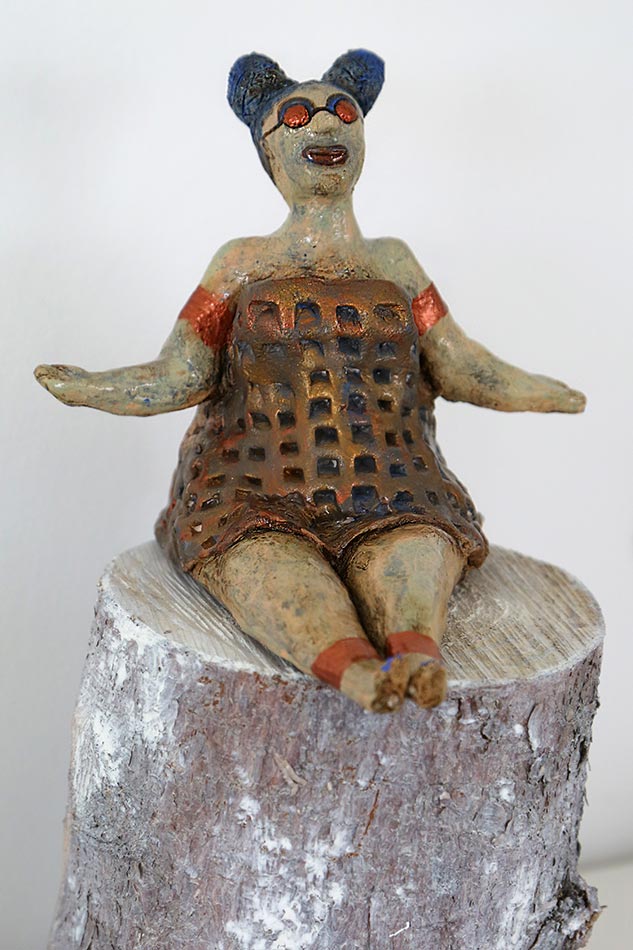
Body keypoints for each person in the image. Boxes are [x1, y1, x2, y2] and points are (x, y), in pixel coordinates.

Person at [35, 50, 585, 713]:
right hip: (253, 481)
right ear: (269, 151)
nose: (324, 128)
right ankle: (358, 674)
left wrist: (536, 390)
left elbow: (459, 363)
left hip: (391, 481)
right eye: (297, 117)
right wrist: (95, 387)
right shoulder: (241, 263)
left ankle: (417, 655)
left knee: (414, 552)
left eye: (342, 113)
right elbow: (182, 373)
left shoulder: (394, 263)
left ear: (362, 137)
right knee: (266, 568)